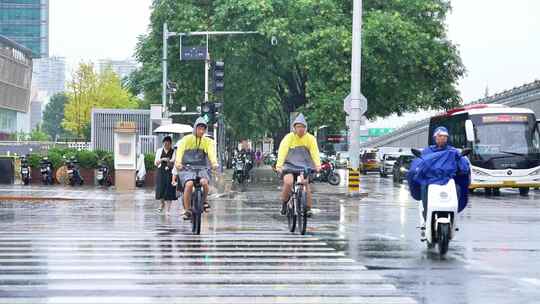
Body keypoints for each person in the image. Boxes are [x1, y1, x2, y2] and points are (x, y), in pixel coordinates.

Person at [408, 126, 470, 237]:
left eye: (445, 137)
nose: (442, 139)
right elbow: (418, 164)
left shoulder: (453, 151)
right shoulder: (427, 151)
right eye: (440, 136)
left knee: (458, 189)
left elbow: (463, 166)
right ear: (435, 137)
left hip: (447, 180)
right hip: (430, 181)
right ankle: (426, 215)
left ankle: (454, 214)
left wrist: (461, 161)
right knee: (424, 189)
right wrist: (416, 170)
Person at [275, 114, 321, 217]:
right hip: (289, 166)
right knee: (288, 182)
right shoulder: (289, 137)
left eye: (302, 127)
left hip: (304, 166)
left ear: (306, 128)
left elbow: (315, 152)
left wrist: (318, 165)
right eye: (298, 127)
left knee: (305, 183)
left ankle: (307, 208)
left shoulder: (310, 138)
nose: (300, 129)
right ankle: (284, 203)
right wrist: (279, 165)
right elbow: (282, 151)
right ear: (294, 128)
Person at [172, 117, 218, 220]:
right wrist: (178, 163)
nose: (201, 131)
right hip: (187, 168)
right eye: (199, 128)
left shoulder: (207, 141)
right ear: (195, 128)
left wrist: (214, 163)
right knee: (188, 184)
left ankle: (205, 201)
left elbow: (211, 153)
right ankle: (187, 210)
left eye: (203, 129)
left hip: (202, 168)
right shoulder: (186, 140)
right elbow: (180, 152)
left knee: (205, 183)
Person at [154, 136, 177, 214]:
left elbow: (174, 161)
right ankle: (162, 204)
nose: (166, 145)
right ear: (163, 143)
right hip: (161, 172)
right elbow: (156, 163)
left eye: (168, 144)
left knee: (169, 190)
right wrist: (161, 160)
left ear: (170, 144)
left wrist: (169, 161)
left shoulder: (174, 151)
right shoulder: (159, 151)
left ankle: (168, 210)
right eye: (165, 143)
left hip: (170, 172)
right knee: (161, 189)